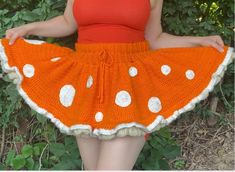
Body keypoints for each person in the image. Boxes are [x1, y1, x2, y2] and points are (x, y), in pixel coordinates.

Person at [0, 0, 234, 170]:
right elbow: (67, 22)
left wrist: (197, 41)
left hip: (130, 88)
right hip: (87, 86)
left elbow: (154, 39)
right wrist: (29, 28)